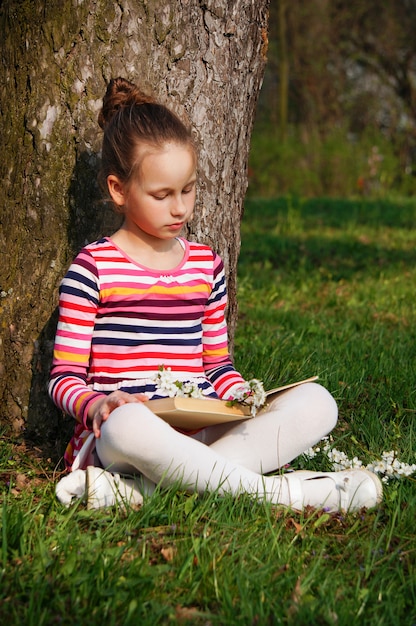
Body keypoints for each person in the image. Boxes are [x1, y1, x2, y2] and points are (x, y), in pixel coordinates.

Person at [49, 77, 382, 512]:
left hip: (205, 429)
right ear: (118, 189)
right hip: (130, 437)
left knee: (318, 404)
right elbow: (64, 379)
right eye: (162, 195)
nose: (180, 208)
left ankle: (147, 493)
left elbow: (217, 364)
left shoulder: (206, 265)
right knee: (128, 424)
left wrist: (243, 396)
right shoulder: (93, 268)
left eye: (187, 189)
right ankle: (287, 494)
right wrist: (98, 405)